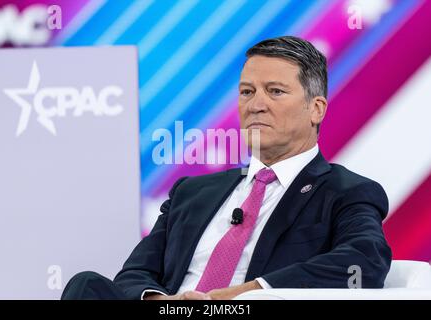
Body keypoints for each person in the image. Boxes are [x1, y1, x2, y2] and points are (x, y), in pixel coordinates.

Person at [61, 36, 392, 300]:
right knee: (86, 286)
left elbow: (363, 262)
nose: (256, 104)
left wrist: (246, 295)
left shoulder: (345, 191)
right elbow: (134, 275)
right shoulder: (192, 192)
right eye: (247, 92)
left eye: (275, 91)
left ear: (316, 109)